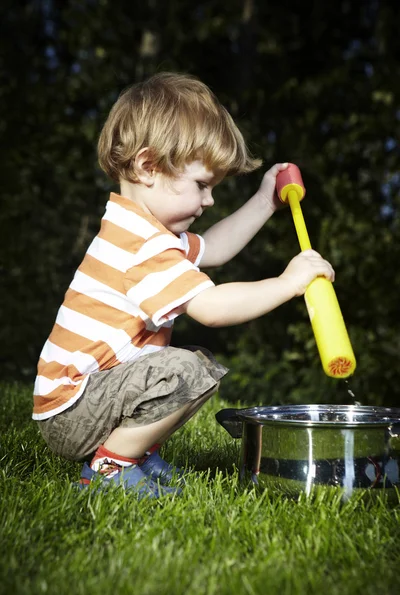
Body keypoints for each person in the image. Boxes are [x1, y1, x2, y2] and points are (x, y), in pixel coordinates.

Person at [33, 72, 335, 498]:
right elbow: (211, 309)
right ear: (148, 166)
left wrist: (266, 201)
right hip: (74, 410)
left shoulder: (140, 230)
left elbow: (212, 248)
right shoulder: (140, 245)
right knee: (185, 371)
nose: (209, 201)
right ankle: (110, 467)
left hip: (79, 401)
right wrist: (289, 283)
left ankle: (132, 454)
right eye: (201, 185)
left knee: (194, 368)